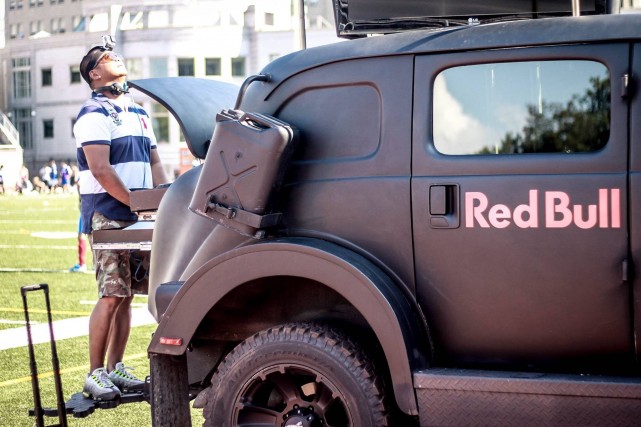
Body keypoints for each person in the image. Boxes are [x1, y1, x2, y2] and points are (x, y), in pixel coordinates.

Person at [74, 40, 169, 401]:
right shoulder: (93, 112)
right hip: (109, 213)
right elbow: (99, 168)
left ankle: (115, 368)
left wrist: (161, 196)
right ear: (94, 73)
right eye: (108, 57)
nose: (118, 58)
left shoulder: (139, 112)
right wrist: (134, 202)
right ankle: (94, 372)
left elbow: (155, 161)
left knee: (127, 296)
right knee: (111, 294)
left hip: (139, 214)